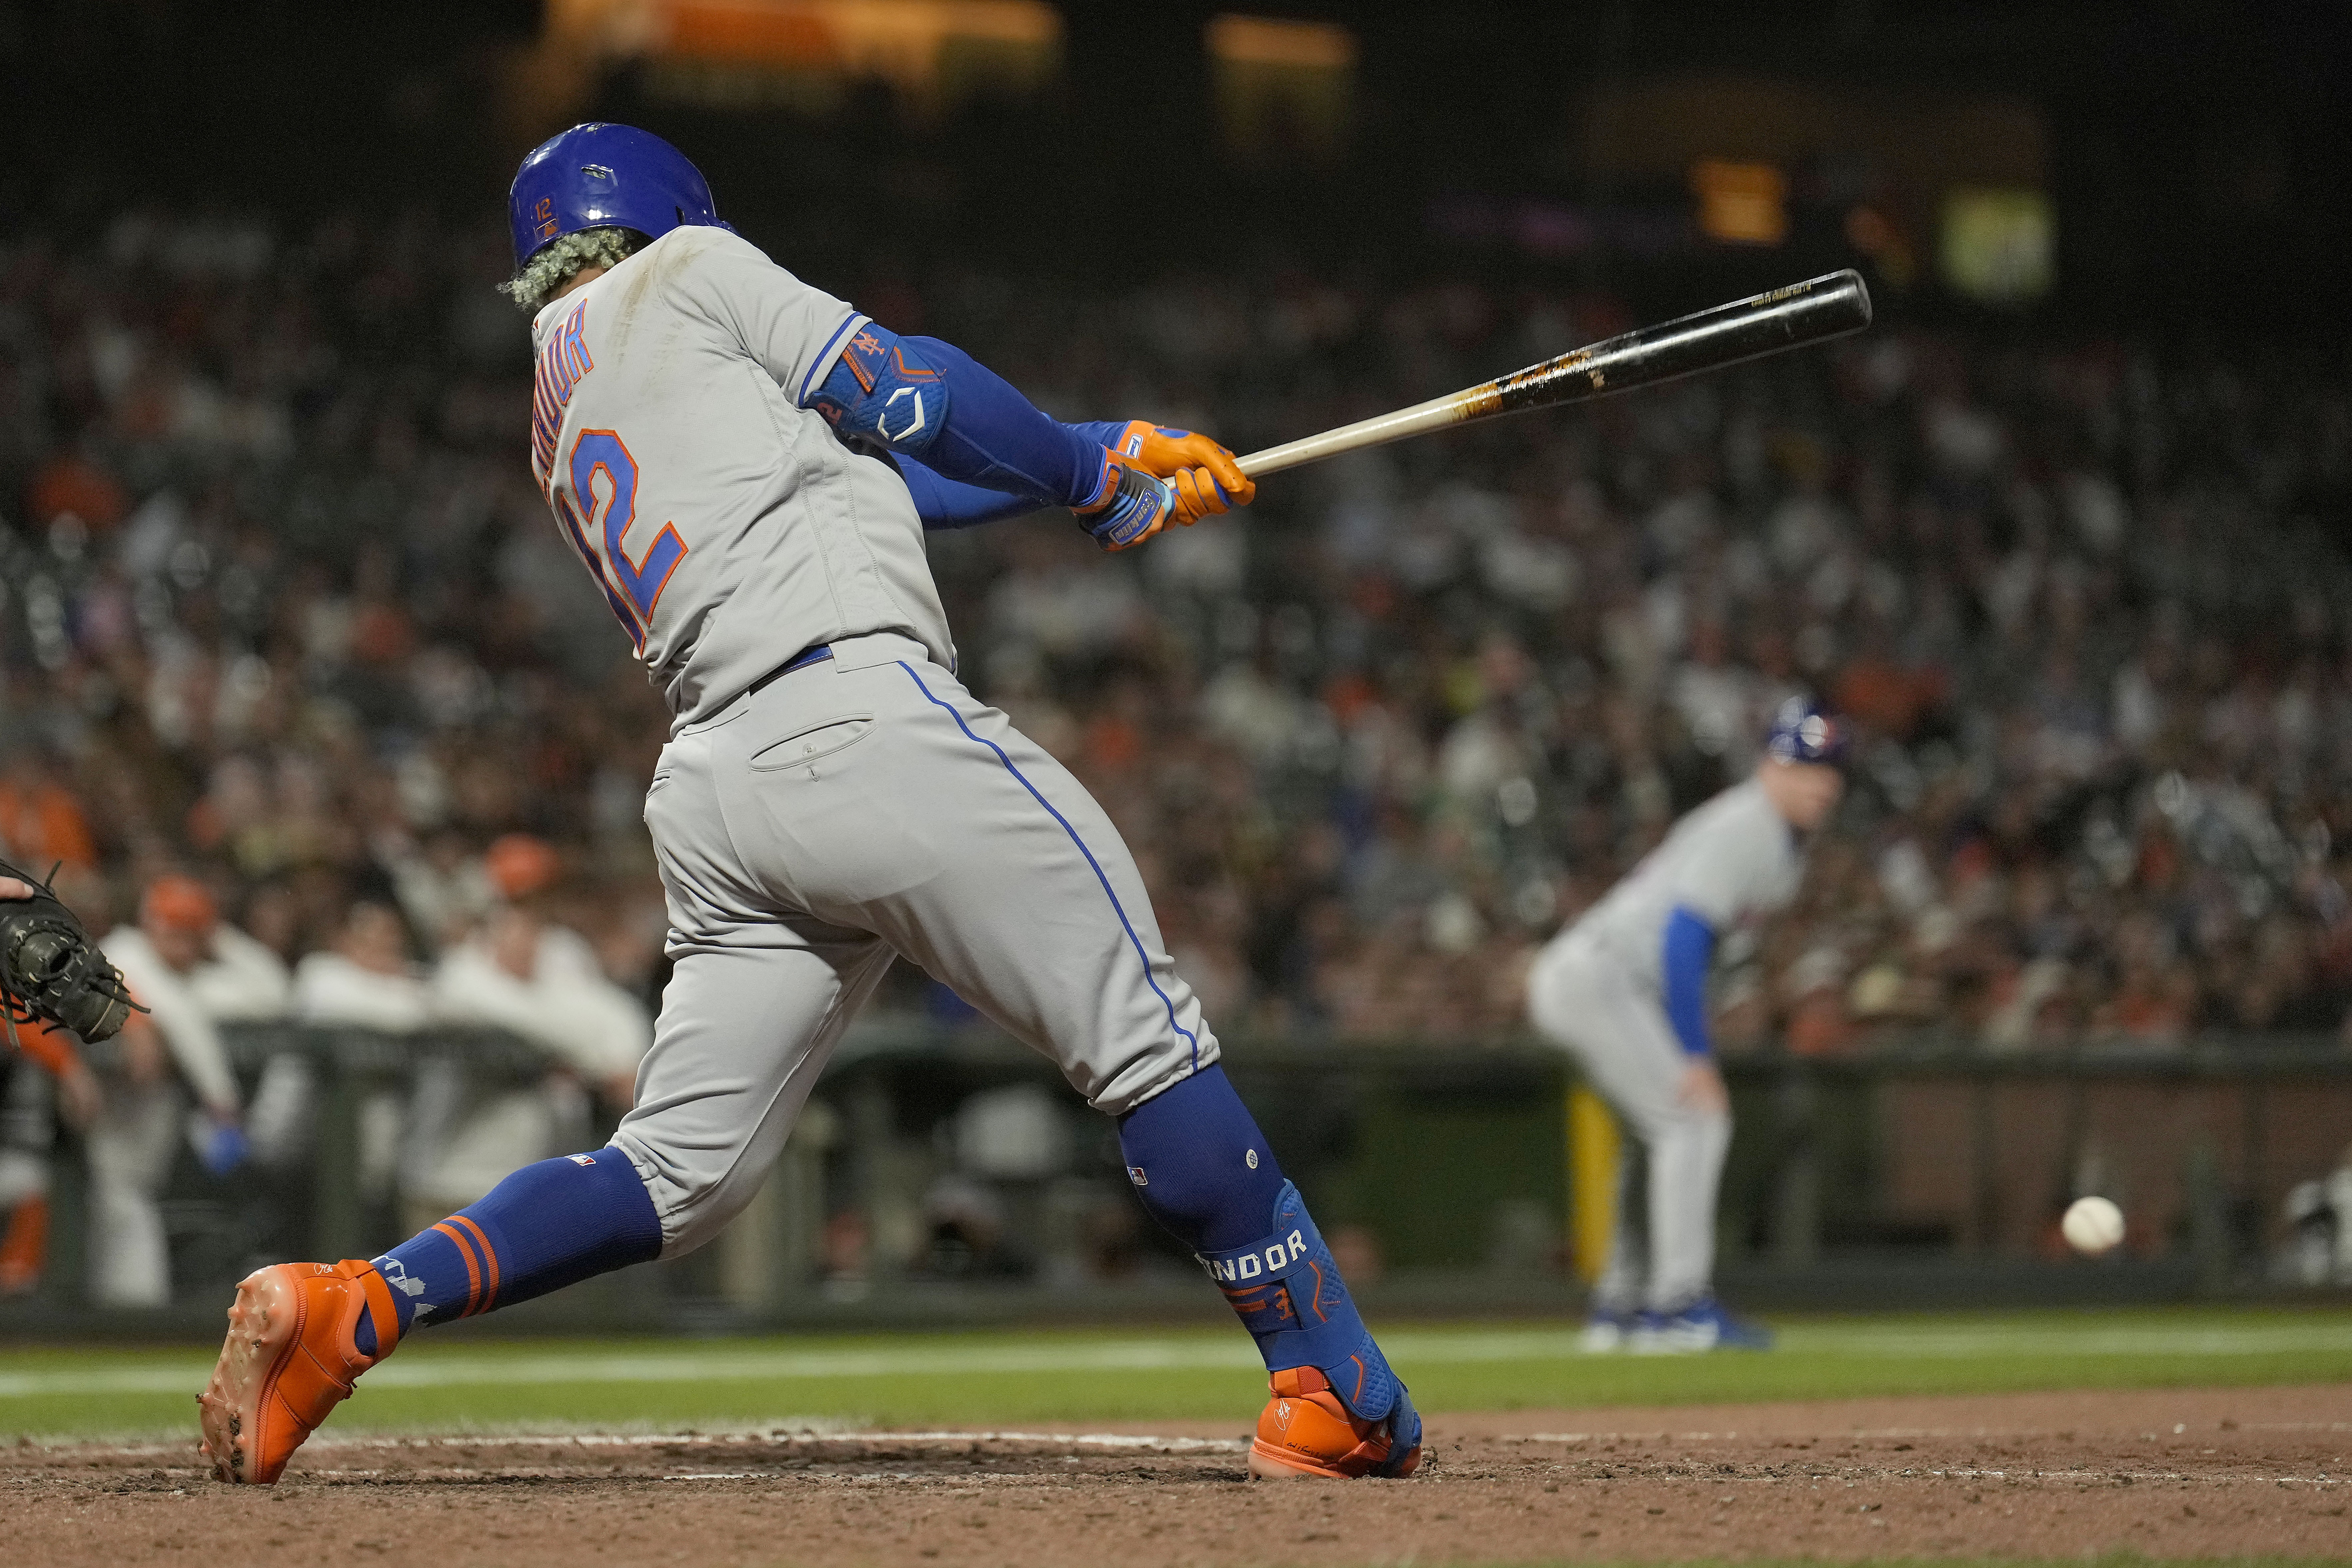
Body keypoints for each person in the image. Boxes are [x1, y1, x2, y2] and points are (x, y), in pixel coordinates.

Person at [198, 123, 1420, 1486]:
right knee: (1147, 1044)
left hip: (724, 793)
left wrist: (1099, 458)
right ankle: (1330, 1387)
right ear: (675, 210)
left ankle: (359, 1304)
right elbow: (902, 392)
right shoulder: (693, 272)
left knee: (672, 1174)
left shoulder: (561, 394)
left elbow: (870, 475)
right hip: (863, 721)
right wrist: (1076, 476)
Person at [1526, 697, 1846, 1352]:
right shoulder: (1750, 826)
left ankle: (1623, 1304)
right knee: (1695, 1115)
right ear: (1769, 764)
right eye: (1800, 762)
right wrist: (1696, 1052)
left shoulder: (1779, 841)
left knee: (1656, 1133)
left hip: (1601, 979)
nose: (1816, 780)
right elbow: (1681, 938)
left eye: (1827, 767)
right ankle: (1677, 1306)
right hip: (1601, 976)